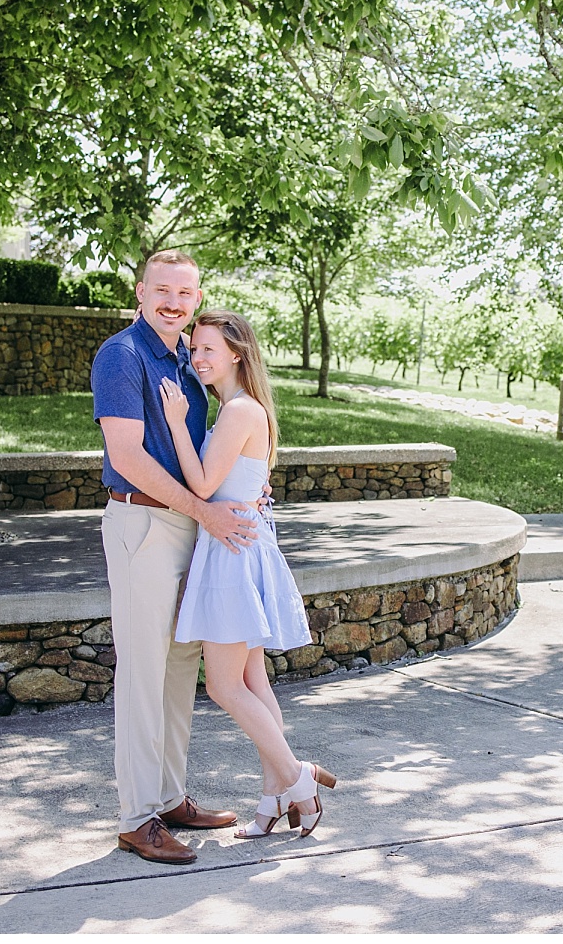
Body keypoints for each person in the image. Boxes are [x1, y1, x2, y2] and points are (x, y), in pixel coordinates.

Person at [91, 250, 256, 865]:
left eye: (185, 294)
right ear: (140, 293)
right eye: (163, 290)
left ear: (196, 298)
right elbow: (129, 456)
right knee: (140, 672)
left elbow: (210, 451)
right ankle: (137, 818)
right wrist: (204, 511)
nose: (174, 302)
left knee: (181, 663)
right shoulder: (122, 355)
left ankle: (168, 797)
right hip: (143, 522)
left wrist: (241, 492)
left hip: (190, 524)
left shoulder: (190, 364)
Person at [160, 309, 338, 839]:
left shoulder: (240, 411)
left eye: (209, 349)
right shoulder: (241, 409)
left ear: (237, 352)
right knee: (251, 680)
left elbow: (202, 485)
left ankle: (297, 776)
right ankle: (270, 802)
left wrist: (174, 423)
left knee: (221, 685)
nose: (198, 358)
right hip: (238, 544)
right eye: (194, 349)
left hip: (233, 552)